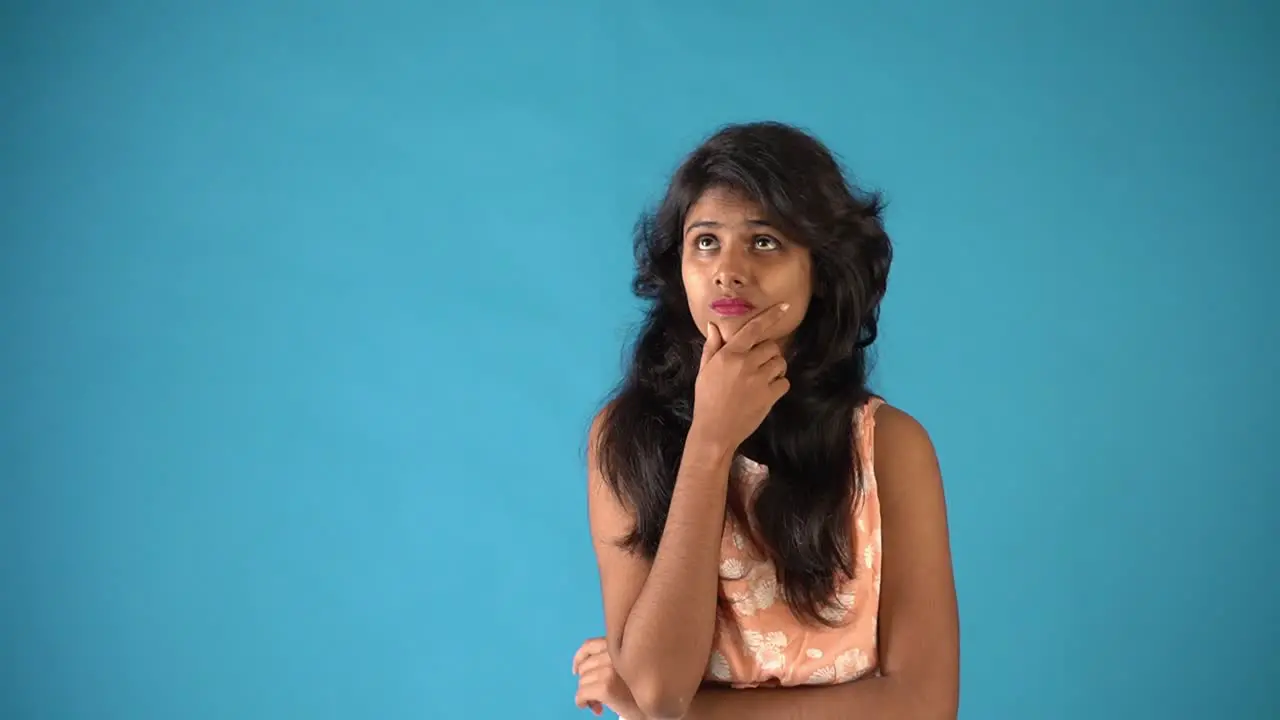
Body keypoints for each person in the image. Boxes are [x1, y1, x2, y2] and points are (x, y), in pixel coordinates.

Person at [571, 121, 960, 719]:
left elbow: (925, 705)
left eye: (764, 241)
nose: (728, 270)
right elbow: (658, 686)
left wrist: (689, 715)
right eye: (705, 241)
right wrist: (710, 441)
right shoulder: (625, 438)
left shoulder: (889, 448)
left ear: (820, 269)